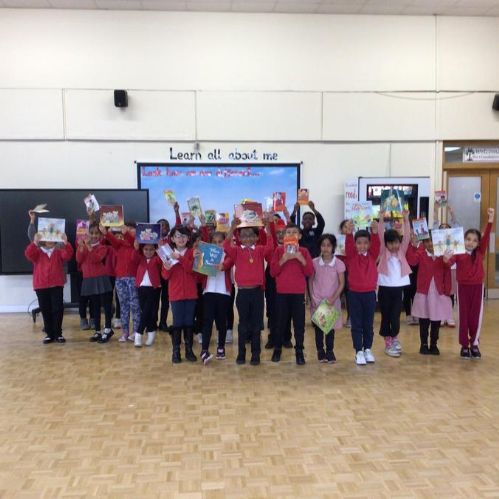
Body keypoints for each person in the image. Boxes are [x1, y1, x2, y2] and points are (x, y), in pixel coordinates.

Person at [444, 208, 494, 359]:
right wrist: (446, 259)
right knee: (464, 316)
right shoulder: (458, 252)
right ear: (463, 240)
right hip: (463, 288)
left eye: (474, 240)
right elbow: (448, 262)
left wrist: (490, 220)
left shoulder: (480, 252)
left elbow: (485, 238)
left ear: (478, 243)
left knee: (475, 317)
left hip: (477, 287)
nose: (470, 242)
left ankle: (475, 344)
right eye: (468, 239)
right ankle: (464, 345)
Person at [223, 216, 273, 365]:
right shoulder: (237, 251)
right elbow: (226, 245)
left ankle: (256, 354)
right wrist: (232, 227)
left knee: (257, 324)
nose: (247, 238)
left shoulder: (259, 249)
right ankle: (241, 353)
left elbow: (270, 247)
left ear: (257, 237)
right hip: (243, 293)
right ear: (239, 238)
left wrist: (267, 229)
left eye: (251, 235)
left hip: (257, 293)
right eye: (244, 236)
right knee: (243, 324)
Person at [270, 223, 313, 365]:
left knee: (299, 324)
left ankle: (299, 351)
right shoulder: (278, 251)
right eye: (288, 232)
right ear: (284, 236)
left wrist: (300, 258)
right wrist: (284, 259)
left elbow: (310, 272)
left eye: (295, 232)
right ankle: (277, 349)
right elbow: (273, 272)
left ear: (299, 236)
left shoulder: (304, 251)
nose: (291, 235)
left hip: (298, 293)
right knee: (280, 322)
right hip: (282, 293)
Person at [407, 232, 452, 355]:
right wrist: (413, 245)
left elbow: (448, 270)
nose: (430, 244)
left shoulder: (443, 256)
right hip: (424, 293)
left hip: (438, 293)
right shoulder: (421, 254)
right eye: (427, 241)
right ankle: (423, 344)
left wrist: (447, 290)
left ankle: (434, 344)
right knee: (424, 320)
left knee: (436, 320)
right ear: (423, 243)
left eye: (433, 241)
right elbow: (411, 260)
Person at [25, 231, 73, 343]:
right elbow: (28, 254)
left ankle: (58, 333)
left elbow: (68, 255)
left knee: (58, 309)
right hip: (41, 285)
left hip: (56, 284)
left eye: (52, 239)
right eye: (47, 238)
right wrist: (35, 242)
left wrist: (66, 243)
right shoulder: (37, 252)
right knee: (45, 309)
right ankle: (49, 334)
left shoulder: (58, 252)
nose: (50, 241)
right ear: (43, 240)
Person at [344, 220, 380, 365]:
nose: (362, 246)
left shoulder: (372, 255)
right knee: (357, 324)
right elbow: (348, 245)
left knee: (368, 324)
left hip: (370, 294)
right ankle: (358, 350)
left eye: (365, 243)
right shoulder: (351, 256)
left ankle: (367, 349)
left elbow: (377, 244)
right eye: (359, 243)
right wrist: (349, 232)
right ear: (355, 244)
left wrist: (375, 232)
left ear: (369, 244)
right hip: (354, 295)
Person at [195, 231, 234, 364]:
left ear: (224, 242)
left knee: (221, 321)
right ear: (210, 243)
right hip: (209, 291)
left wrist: (223, 265)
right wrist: (199, 261)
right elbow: (199, 274)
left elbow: (229, 262)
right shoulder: (205, 254)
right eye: (214, 242)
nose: (217, 244)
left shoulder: (227, 254)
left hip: (223, 292)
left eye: (220, 241)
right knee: (207, 321)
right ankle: (204, 349)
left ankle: (221, 348)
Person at [377, 211, 412, 358]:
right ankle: (388, 341)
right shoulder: (384, 252)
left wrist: (406, 219)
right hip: (384, 288)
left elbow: (408, 236)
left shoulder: (402, 251)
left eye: (396, 242)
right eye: (390, 243)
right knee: (386, 316)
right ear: (386, 244)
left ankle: (394, 337)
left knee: (396, 315)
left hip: (398, 289)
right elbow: (380, 233)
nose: (393, 245)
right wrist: (380, 218)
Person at [161, 225, 198, 363]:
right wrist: (167, 267)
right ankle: (176, 351)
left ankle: (189, 350)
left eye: (183, 236)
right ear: (172, 239)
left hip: (190, 293)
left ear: (188, 238)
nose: (181, 239)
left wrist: (180, 258)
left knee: (189, 322)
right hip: (175, 294)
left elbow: (191, 270)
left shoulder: (193, 252)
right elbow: (165, 276)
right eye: (177, 236)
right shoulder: (167, 253)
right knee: (177, 322)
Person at [76, 222, 115, 343]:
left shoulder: (102, 247)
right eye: (91, 233)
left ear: (101, 235)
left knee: (106, 305)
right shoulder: (84, 245)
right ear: (87, 233)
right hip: (88, 278)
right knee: (94, 306)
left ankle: (108, 329)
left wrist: (88, 247)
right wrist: (81, 247)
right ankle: (98, 331)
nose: (94, 236)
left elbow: (96, 259)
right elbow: (79, 259)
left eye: (96, 233)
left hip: (101, 278)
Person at [309, 234, 345, 363]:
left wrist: (333, 298)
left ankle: (330, 351)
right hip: (318, 300)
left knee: (330, 329)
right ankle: (320, 351)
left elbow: (342, 283)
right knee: (319, 328)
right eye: (323, 245)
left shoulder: (338, 264)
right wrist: (312, 297)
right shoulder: (314, 263)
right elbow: (310, 280)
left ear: (333, 247)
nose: (325, 248)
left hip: (331, 301)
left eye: (328, 245)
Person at [102, 223, 140, 342]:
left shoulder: (137, 244)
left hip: (133, 278)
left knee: (135, 306)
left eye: (131, 229)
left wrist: (127, 233)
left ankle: (136, 332)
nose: (128, 231)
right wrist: (105, 232)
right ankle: (125, 332)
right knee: (123, 306)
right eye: (126, 229)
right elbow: (112, 239)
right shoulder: (120, 245)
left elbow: (132, 240)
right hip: (120, 278)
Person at [132, 240, 163, 347]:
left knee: (146, 311)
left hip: (154, 288)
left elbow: (162, 260)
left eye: (151, 249)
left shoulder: (156, 259)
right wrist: (136, 248)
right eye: (146, 249)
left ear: (155, 250)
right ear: (142, 249)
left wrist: (160, 249)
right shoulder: (140, 258)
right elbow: (133, 258)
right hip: (141, 288)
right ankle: (151, 331)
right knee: (146, 311)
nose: (148, 252)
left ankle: (138, 333)